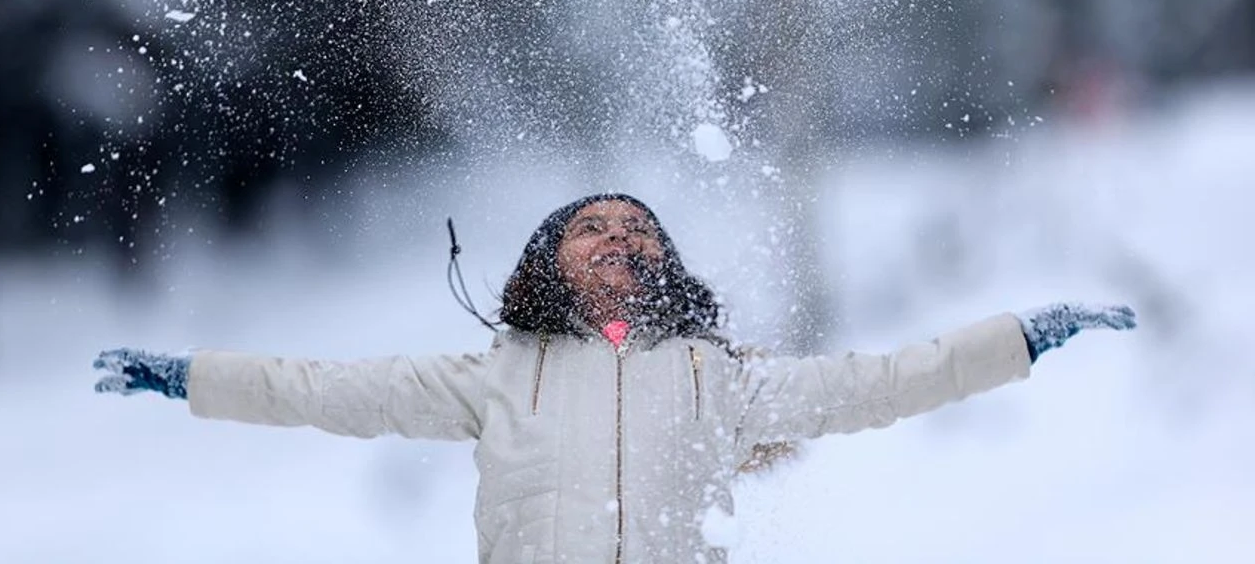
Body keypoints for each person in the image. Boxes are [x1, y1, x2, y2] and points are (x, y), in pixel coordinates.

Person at [93, 193, 1136, 564]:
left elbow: (882, 381)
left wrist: (1020, 338)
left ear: (664, 265)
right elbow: (319, 387)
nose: (616, 238)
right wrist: (190, 377)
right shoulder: (494, 375)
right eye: (590, 226)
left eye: (638, 229)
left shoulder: (716, 380)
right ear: (547, 260)